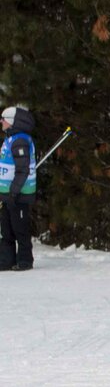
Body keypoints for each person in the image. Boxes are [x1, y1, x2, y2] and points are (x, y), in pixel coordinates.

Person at [0, 105, 37, 271]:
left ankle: (25, 260)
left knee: (19, 228)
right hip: (7, 194)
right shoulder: (10, 139)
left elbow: (23, 170)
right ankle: (7, 260)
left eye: (4, 119)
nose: (1, 121)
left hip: (18, 194)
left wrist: (14, 192)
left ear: (12, 122)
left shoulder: (20, 140)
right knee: (6, 229)